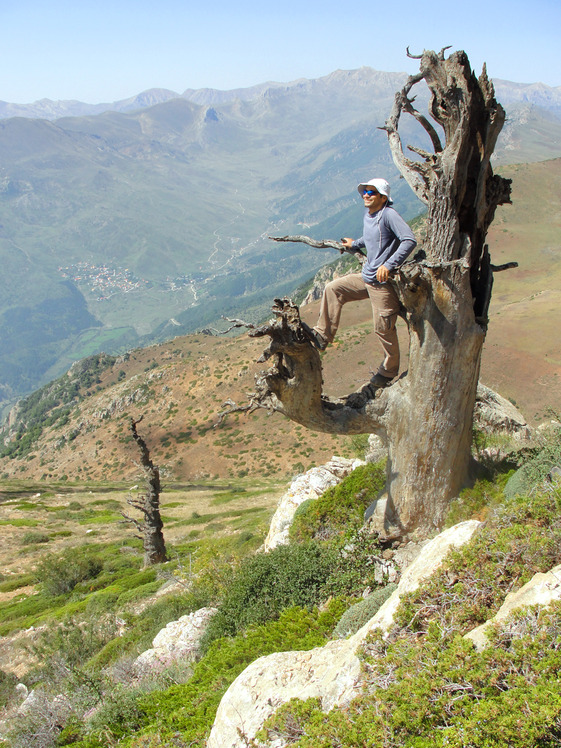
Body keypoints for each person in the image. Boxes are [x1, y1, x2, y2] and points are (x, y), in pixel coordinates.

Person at [308, 178, 416, 389]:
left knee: (383, 328)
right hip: (367, 277)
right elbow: (371, 238)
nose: (366, 195)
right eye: (364, 191)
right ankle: (322, 335)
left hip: (383, 283)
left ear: (383, 198)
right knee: (333, 288)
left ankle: (388, 371)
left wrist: (389, 264)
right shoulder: (371, 215)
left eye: (371, 192)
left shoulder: (388, 215)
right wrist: (354, 244)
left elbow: (409, 239)